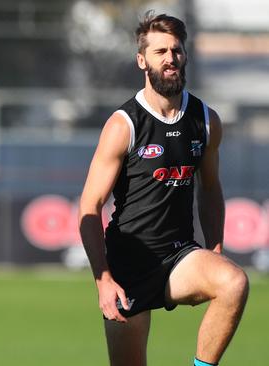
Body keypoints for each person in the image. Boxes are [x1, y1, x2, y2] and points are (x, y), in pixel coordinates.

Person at [78, 11, 248, 366]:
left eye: (176, 50)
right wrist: (103, 280)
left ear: (185, 54)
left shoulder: (205, 120)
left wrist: (214, 244)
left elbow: (211, 189)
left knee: (233, 283)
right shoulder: (123, 125)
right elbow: (90, 208)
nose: (170, 58)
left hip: (179, 257)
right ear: (142, 60)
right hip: (128, 268)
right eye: (160, 52)